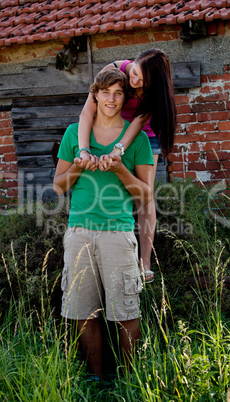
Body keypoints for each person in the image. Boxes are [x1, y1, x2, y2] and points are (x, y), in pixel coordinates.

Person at [53, 69, 154, 379]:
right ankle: (97, 378)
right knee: (83, 313)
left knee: (125, 314)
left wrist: (121, 169)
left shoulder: (136, 140)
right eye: (105, 91)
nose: (111, 98)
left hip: (119, 234)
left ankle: (130, 381)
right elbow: (58, 186)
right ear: (94, 94)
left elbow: (146, 195)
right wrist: (79, 168)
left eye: (118, 92)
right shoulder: (74, 134)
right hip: (79, 233)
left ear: (125, 99)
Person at [77, 49, 177, 283]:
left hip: (144, 134)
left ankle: (145, 263)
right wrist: (84, 149)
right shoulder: (112, 70)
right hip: (112, 126)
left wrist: (118, 150)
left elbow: (140, 121)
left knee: (144, 195)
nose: (134, 81)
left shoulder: (154, 91)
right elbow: (86, 113)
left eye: (141, 81)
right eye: (134, 73)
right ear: (133, 63)